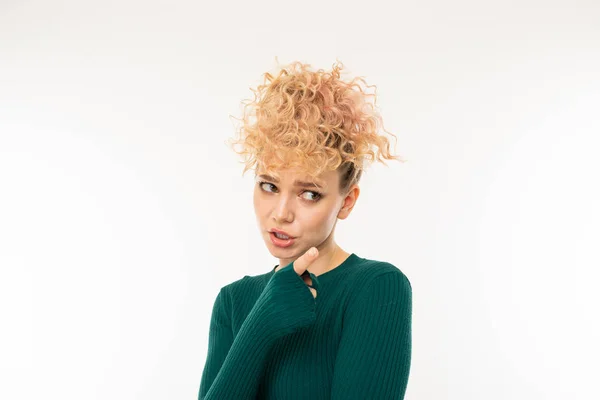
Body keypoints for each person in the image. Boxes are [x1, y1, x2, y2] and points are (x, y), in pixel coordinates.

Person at [198, 60, 413, 399]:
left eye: (309, 194)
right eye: (268, 185)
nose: (281, 214)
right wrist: (260, 324)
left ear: (346, 201)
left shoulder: (376, 288)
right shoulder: (234, 301)